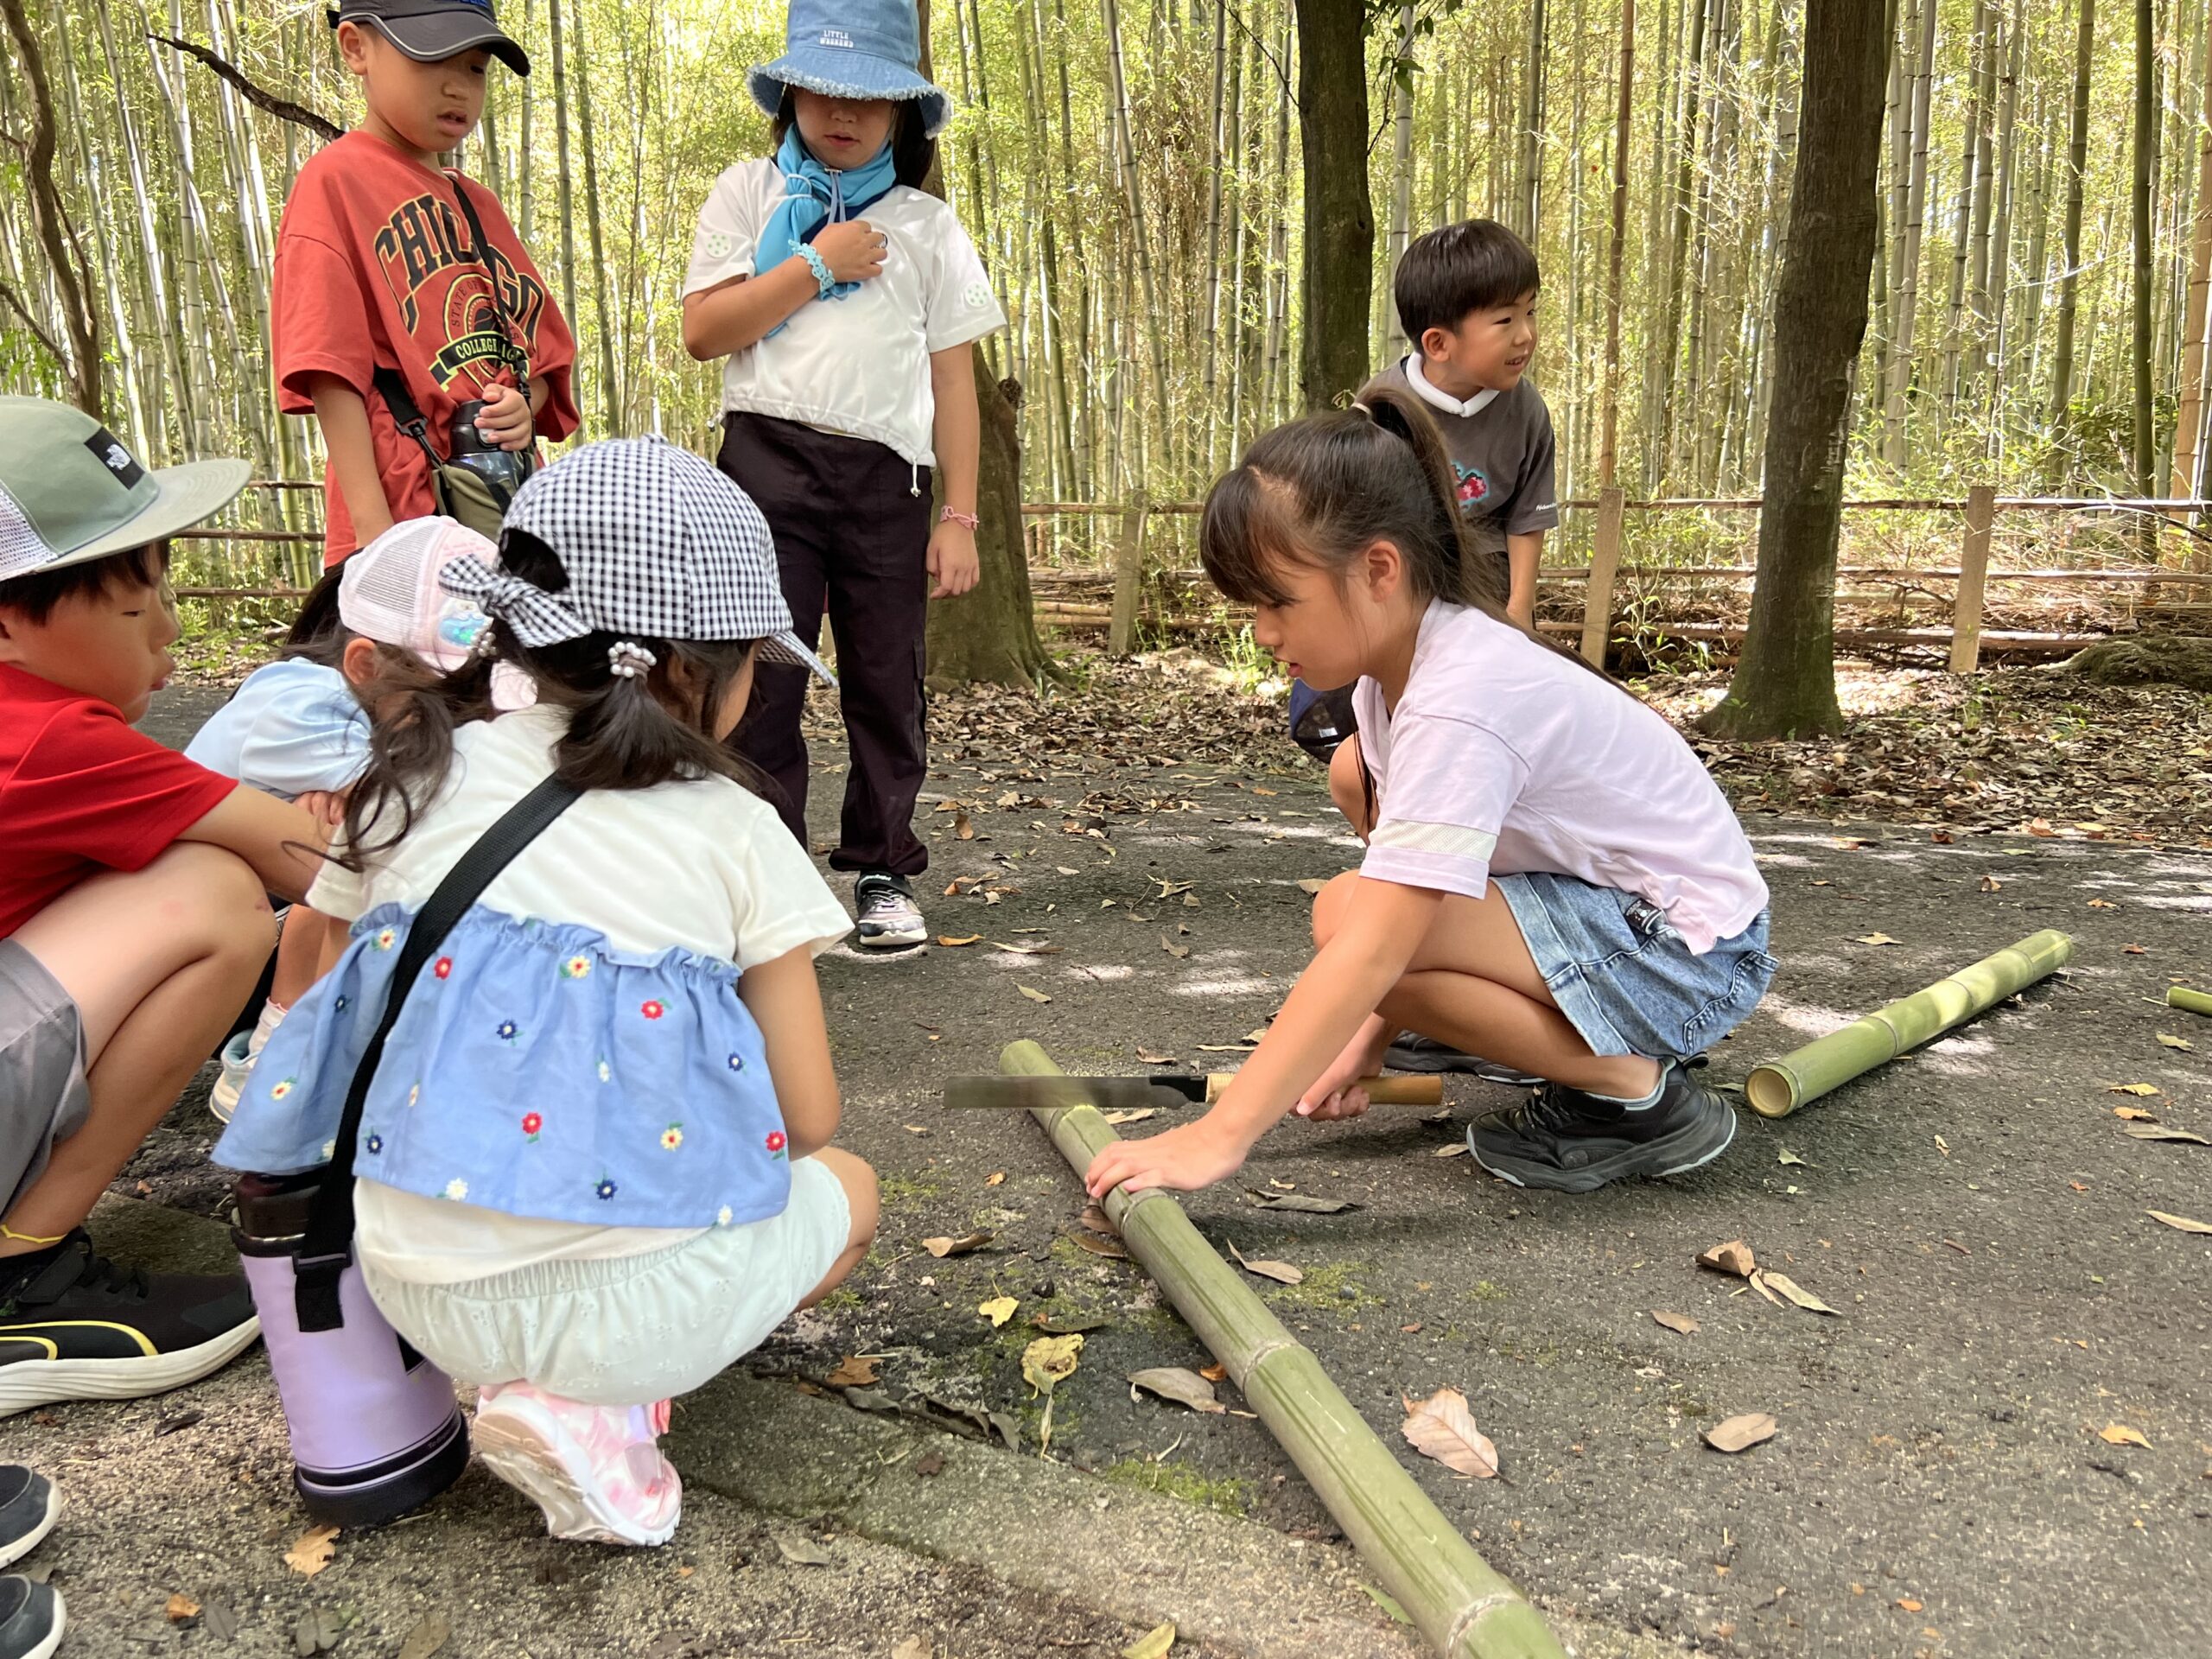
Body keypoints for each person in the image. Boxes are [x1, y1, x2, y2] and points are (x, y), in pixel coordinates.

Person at [216, 439, 879, 1548]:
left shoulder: (417, 773)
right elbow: (805, 1119)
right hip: (625, 1311)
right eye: (752, 661)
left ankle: (549, 1382)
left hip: (410, 1285)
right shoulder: (734, 831)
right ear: (683, 671)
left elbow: (326, 976)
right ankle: (605, 1402)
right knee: (847, 1191)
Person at [1084, 390, 1775, 1199]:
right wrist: (1368, 1037)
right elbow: (1402, 914)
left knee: (1348, 920)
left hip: (1688, 960)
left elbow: (1380, 939)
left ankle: (1631, 1093)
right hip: (1621, 918)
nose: (1264, 634)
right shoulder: (1399, 670)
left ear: (1379, 568)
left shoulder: (1462, 697)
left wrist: (1219, 1134)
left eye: (1278, 602)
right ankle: (1544, 1034)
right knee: (1353, 784)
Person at [0, 396, 324, 1413]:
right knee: (217, 898)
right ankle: (21, 1273)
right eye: (139, 610)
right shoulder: (52, 738)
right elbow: (319, 867)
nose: (171, 637)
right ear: (12, 616)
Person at [681, 0, 1006, 950]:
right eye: (824, 89)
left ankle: (881, 869)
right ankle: (766, 876)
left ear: (904, 115)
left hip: (887, 481)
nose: (845, 112)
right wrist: (816, 265)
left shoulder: (926, 225)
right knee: (759, 678)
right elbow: (705, 333)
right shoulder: (747, 194)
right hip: (763, 463)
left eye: (872, 95)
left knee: (884, 682)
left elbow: (953, 377)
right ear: (790, 93)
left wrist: (960, 513)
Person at [188, 519, 518, 1119]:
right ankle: (272, 1055)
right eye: (449, 709)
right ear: (365, 664)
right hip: (215, 947)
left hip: (256, 916)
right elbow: (417, 815)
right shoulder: (302, 701)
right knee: (362, 853)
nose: (462, 730)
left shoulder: (353, 704)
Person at [273, 0, 578, 567]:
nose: (457, 88)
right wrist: (375, 536)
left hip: (502, 511)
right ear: (357, 47)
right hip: (400, 511)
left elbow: (540, 362)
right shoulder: (335, 183)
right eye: (431, 57)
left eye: (475, 68)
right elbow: (329, 371)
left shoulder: (478, 206)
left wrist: (523, 406)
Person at [1359, 219, 1556, 630]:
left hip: (1489, 590)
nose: (1527, 335)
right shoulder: (1382, 406)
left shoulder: (1526, 410)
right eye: (1505, 321)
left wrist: (1518, 615)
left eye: (1531, 312)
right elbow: (1359, 521)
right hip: (1402, 586)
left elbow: (1527, 519)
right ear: (1438, 343)